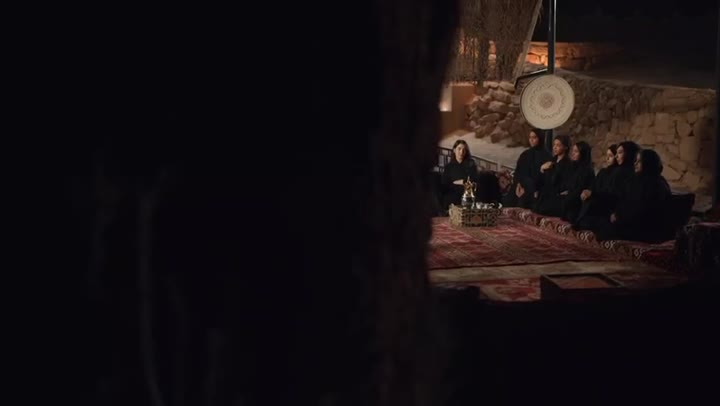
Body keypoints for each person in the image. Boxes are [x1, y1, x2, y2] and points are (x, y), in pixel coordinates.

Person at [587, 149, 673, 242]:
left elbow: (641, 209)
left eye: (639, 161)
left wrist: (619, 216)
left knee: (604, 228)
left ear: (648, 163)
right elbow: (627, 201)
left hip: (645, 228)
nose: (635, 164)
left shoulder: (653, 184)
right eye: (635, 160)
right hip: (636, 223)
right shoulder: (643, 180)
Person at [574, 141, 640, 227]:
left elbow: (616, 196)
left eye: (620, 153)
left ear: (628, 154)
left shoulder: (624, 173)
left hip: (614, 211)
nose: (616, 156)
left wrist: (593, 194)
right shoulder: (611, 172)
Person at [502, 128, 552, 208]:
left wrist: (529, 188)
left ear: (540, 138)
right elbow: (518, 172)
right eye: (530, 137)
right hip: (520, 186)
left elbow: (545, 178)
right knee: (508, 201)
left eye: (534, 137)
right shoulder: (525, 154)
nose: (531, 140)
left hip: (535, 189)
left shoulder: (547, 156)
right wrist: (518, 185)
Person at [532, 134, 573, 215]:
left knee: (542, 208)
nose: (555, 147)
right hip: (546, 193)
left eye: (558, 145)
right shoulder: (551, 161)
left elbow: (564, 183)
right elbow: (542, 179)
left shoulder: (568, 164)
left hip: (557, 195)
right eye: (554, 145)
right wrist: (542, 169)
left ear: (565, 147)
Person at [559, 141, 596, 221]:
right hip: (569, 196)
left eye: (576, 151)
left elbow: (581, 189)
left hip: (578, 201)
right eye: (573, 151)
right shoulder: (573, 166)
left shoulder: (587, 170)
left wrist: (569, 193)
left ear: (582, 154)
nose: (573, 153)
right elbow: (567, 182)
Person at [440, 140, 477, 210]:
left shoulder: (471, 164)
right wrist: (463, 182)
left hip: (467, 195)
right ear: (454, 150)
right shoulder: (449, 167)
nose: (461, 152)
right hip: (452, 195)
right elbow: (445, 184)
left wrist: (462, 181)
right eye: (459, 149)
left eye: (464, 150)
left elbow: (473, 180)